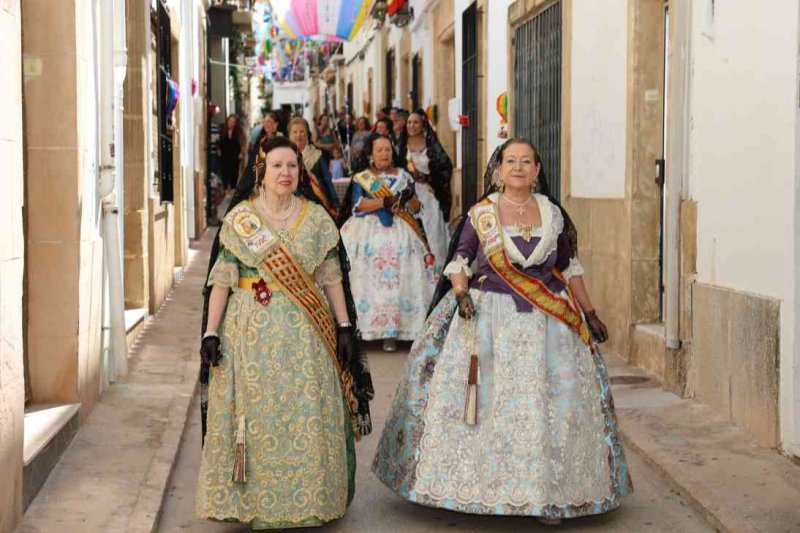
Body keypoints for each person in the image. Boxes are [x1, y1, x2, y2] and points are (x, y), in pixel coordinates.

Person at [372, 139, 632, 525]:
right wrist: (460, 293)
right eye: (511, 161)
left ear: (538, 169)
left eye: (527, 161)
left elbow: (569, 266)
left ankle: (545, 494)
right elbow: (460, 259)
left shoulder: (551, 214)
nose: (518, 168)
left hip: (551, 324)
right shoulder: (483, 214)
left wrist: (590, 313)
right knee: (490, 404)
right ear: (498, 170)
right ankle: (479, 489)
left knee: (549, 404)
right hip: (490, 317)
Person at [196, 136, 374, 529]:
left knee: (304, 411)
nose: (286, 173)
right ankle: (251, 502)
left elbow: (330, 277)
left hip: (305, 333)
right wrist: (211, 333)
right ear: (262, 170)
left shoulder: (315, 218)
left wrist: (344, 327)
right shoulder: (241, 219)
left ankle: (309, 500)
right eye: (277, 165)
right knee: (255, 416)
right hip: (250, 332)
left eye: (292, 166)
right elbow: (223, 279)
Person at [337, 133, 436, 353]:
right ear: (371, 154)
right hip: (366, 232)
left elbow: (417, 208)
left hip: (401, 232)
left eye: (388, 149)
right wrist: (383, 201)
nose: (384, 153)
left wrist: (409, 197)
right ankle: (366, 329)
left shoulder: (403, 176)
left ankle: (395, 331)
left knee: (402, 278)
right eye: (379, 150)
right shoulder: (362, 177)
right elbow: (358, 205)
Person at [402, 109, 454, 270]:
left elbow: (446, 166)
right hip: (407, 197)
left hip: (428, 196)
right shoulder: (400, 146)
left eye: (415, 122)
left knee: (432, 233)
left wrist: (430, 180)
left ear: (423, 124)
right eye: (409, 122)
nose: (411, 125)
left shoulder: (431, 145)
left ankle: (435, 271)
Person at [289, 117, 339, 217]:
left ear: (307, 134)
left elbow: (327, 179)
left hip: (316, 205)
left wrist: (334, 201)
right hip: (291, 205)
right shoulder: (283, 156)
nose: (298, 135)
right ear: (289, 135)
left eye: (302, 131)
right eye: (295, 132)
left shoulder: (316, 155)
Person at [218, 115, 245, 191]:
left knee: (233, 174)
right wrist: (218, 149)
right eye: (230, 121)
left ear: (236, 123)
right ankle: (225, 190)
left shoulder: (239, 133)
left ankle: (233, 190)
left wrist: (241, 153)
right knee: (224, 173)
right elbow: (218, 142)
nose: (231, 123)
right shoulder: (222, 130)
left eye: (233, 122)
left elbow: (243, 143)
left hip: (235, 157)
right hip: (224, 156)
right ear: (227, 121)